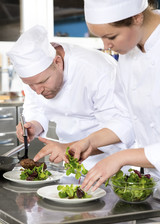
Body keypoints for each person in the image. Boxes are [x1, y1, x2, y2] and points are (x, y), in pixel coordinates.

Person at [7, 25, 130, 170]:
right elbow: (36, 107)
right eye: (30, 85)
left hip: (113, 164)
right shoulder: (35, 76)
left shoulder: (98, 70)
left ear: (57, 62)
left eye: (42, 82)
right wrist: (33, 125)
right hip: (70, 163)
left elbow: (123, 125)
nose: (37, 91)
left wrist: (67, 147)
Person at [67, 0, 160, 191]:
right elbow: (128, 117)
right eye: (100, 38)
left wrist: (121, 157)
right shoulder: (128, 52)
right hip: (152, 183)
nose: (107, 46)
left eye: (111, 36)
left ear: (137, 17)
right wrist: (90, 141)